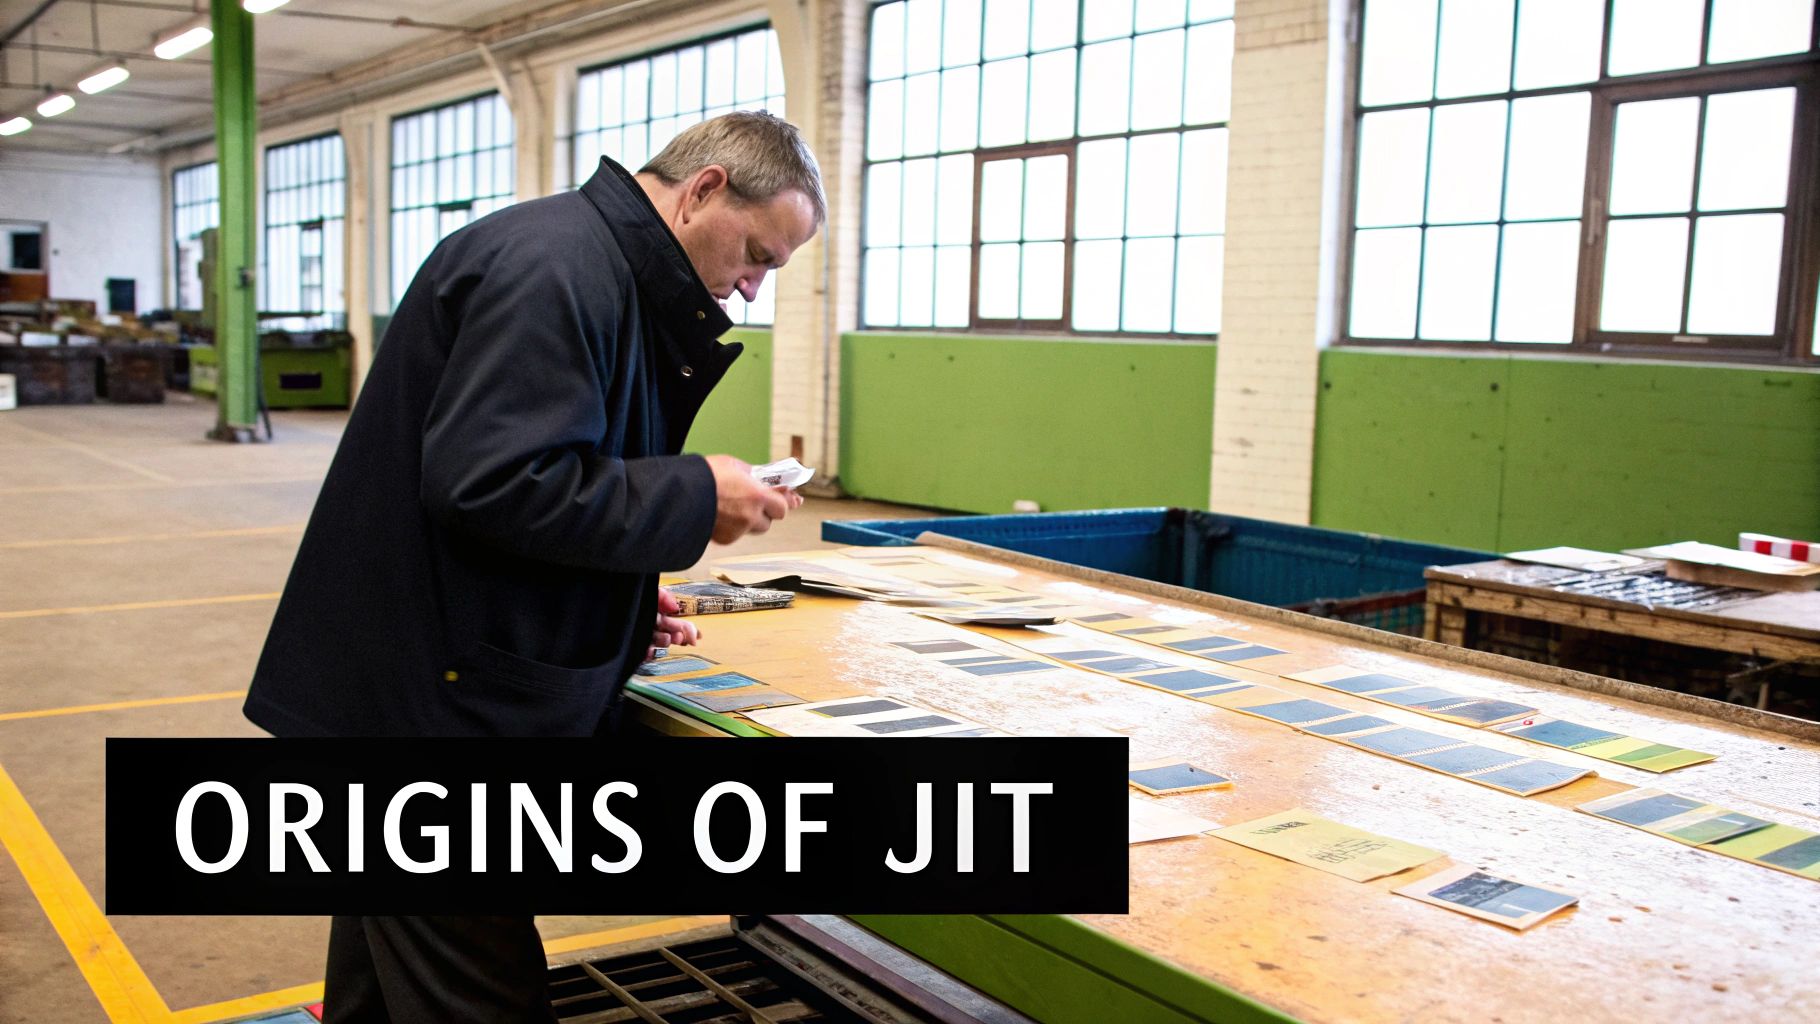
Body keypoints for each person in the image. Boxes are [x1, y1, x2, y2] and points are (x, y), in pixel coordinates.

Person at [242, 111, 825, 1022]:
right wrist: (692, 495)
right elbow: (496, 481)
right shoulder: (558, 270)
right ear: (705, 189)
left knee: (381, 986)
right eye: (758, 254)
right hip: (426, 716)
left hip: (416, 684)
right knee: (480, 994)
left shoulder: (595, 266)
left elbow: (555, 477)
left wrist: (626, 601)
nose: (750, 288)